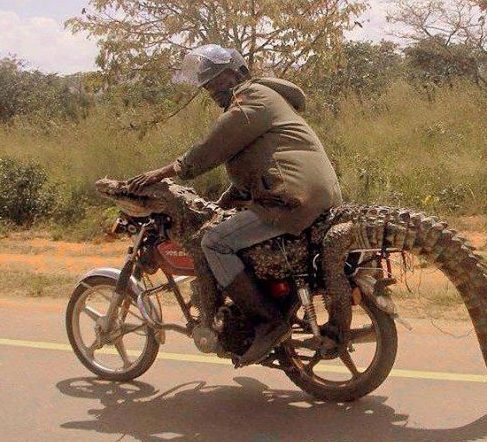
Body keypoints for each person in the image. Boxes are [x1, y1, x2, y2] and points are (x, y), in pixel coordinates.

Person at [127, 44, 342, 365]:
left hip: (292, 198)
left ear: (239, 73)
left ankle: (269, 321)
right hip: (302, 194)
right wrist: (222, 202)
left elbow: (215, 146)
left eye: (217, 80)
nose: (213, 90)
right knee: (227, 231)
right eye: (208, 85)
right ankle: (261, 306)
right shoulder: (266, 101)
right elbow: (252, 165)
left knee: (214, 242)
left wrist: (164, 171)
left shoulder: (253, 96)